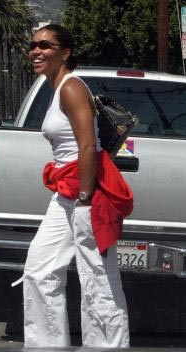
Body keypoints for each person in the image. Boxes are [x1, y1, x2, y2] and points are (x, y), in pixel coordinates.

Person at [22, 24, 129, 347]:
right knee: (40, 270)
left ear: (65, 53)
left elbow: (87, 145)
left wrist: (85, 198)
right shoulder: (55, 89)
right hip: (64, 194)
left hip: (84, 194)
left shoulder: (71, 88)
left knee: (98, 277)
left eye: (45, 45)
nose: (36, 51)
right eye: (33, 45)